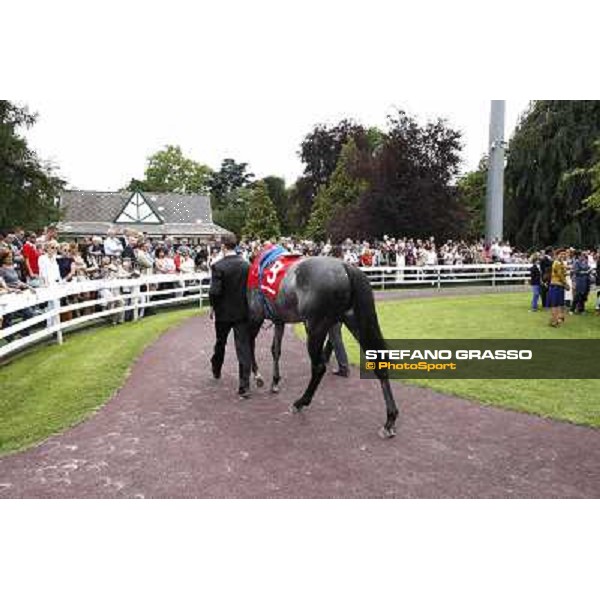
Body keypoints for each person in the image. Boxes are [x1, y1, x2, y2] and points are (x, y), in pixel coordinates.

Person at [208, 234, 252, 398]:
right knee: (243, 347)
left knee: (221, 342)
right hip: (242, 311)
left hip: (223, 312)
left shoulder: (218, 266)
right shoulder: (246, 265)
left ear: (223, 247)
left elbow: (215, 291)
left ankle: (216, 367)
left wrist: (212, 307)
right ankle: (244, 386)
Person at [548, 249, 569, 327]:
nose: (563, 255)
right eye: (561, 254)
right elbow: (560, 275)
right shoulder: (557, 263)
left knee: (559, 303)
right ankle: (554, 321)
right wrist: (566, 284)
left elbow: (563, 272)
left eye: (564, 254)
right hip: (555, 285)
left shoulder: (560, 263)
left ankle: (558, 319)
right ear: (557, 255)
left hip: (559, 285)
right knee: (555, 304)